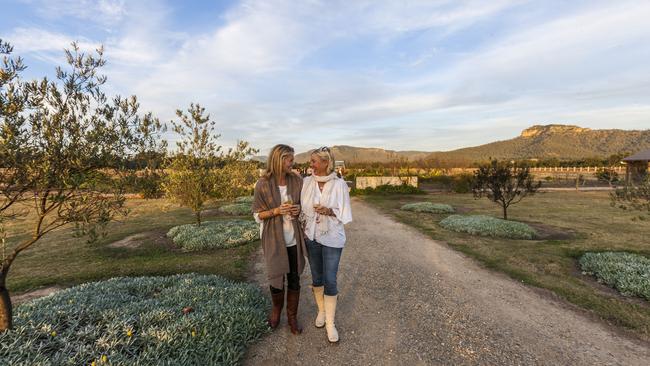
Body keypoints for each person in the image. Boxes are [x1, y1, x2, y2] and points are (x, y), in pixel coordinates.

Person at [300, 146, 352, 343]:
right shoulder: (307, 183)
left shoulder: (339, 185)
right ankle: (321, 311)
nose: (310, 164)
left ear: (325, 163)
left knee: (330, 279)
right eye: (310, 161)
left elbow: (345, 212)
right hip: (311, 236)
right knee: (317, 277)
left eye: (313, 161)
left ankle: (330, 323)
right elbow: (302, 206)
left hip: (332, 237)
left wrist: (329, 211)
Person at [253, 144, 306, 335]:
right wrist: (276, 211)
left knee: (294, 278)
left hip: (293, 238)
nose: (293, 163)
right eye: (289, 159)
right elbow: (257, 215)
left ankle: (292, 317)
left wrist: (298, 209)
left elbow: (304, 206)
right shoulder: (263, 184)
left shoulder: (297, 181)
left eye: (292, 159)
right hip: (274, 239)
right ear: (279, 160)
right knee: (276, 277)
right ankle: (276, 311)